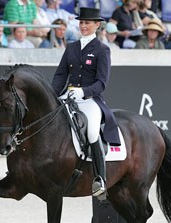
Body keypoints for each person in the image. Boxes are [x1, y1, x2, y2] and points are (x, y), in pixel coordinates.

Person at [52, 7, 121, 199]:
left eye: (87, 23)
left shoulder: (102, 50)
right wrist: (53, 95)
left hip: (90, 100)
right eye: (81, 22)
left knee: (91, 130)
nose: (83, 26)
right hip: (69, 96)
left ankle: (100, 179)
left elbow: (102, 83)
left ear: (97, 25)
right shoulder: (71, 48)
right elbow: (60, 75)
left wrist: (83, 91)